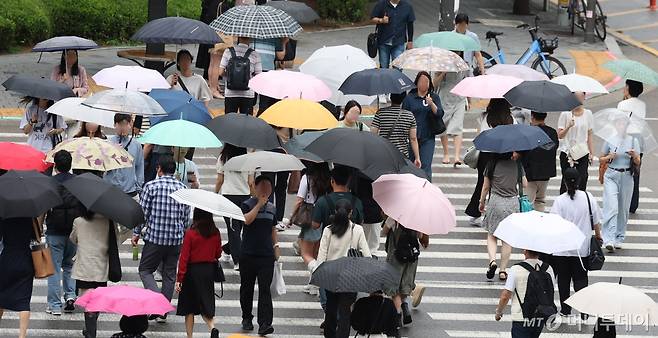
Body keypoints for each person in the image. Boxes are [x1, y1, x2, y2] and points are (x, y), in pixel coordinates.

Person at [132, 155, 190, 323]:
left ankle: (157, 302)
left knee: (145, 270)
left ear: (159, 169)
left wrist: (136, 233)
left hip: (155, 238)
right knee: (169, 274)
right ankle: (163, 310)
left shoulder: (151, 187)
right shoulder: (182, 188)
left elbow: (142, 214)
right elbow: (186, 218)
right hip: (175, 239)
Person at [310, 199, 371, 338]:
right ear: (351, 213)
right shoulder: (358, 230)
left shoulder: (328, 230)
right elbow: (367, 255)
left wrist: (318, 276)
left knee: (331, 309)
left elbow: (321, 256)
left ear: (335, 212)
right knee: (345, 312)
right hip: (350, 277)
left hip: (331, 275)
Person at [550, 168, 603, 317]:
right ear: (579, 181)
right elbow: (596, 221)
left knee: (564, 280)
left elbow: (553, 224)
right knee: (581, 280)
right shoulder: (588, 198)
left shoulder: (560, 201)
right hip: (583, 248)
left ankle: (565, 310)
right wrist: (598, 237)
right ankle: (584, 311)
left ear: (565, 183)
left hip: (562, 249)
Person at [239, 175, 280, 336]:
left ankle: (264, 324)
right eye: (262, 187)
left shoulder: (272, 207)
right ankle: (246, 317)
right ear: (255, 187)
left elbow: (273, 228)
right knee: (247, 288)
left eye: (268, 188)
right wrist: (258, 206)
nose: (265, 190)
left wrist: (276, 246)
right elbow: (246, 221)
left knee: (265, 290)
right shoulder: (246, 204)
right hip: (248, 254)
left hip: (266, 256)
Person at [465, 99, 514, 226]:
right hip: (504, 154)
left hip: (486, 154)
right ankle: (496, 215)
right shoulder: (511, 119)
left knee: (482, 183)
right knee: (498, 186)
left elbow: (478, 138)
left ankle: (475, 212)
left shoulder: (484, 117)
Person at [70, 208, 118, 338]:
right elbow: (115, 240)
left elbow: (73, 239)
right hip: (101, 266)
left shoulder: (78, 221)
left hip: (84, 266)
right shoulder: (108, 221)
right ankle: (90, 328)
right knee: (96, 300)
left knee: (88, 300)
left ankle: (91, 332)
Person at [45, 150, 81, 316]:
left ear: (55, 165)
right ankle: (71, 296)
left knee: (54, 268)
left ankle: (54, 305)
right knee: (69, 266)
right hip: (73, 231)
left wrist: (38, 230)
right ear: (71, 164)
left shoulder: (50, 182)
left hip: (54, 230)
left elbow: (43, 209)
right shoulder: (78, 182)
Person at [175, 209, 221, 338]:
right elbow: (218, 253)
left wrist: (180, 278)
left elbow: (184, 257)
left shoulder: (191, 233)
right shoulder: (215, 232)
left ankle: (190, 336)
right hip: (208, 270)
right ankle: (212, 327)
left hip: (192, 272)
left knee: (189, 307)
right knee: (205, 303)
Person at [480, 152, 525, 281]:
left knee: (492, 235)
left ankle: (492, 261)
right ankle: (503, 270)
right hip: (512, 203)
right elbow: (525, 184)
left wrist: (481, 202)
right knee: (507, 239)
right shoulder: (517, 165)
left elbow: (485, 187)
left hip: (495, 202)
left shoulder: (491, 165)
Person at [599, 115, 641, 253]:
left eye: (623, 124)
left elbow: (638, 162)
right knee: (611, 207)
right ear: (615, 124)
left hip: (627, 176)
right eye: (619, 123)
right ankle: (608, 238)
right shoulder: (610, 139)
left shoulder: (634, 140)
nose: (621, 126)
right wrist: (609, 157)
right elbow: (601, 159)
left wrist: (634, 156)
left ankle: (619, 237)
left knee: (623, 209)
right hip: (611, 175)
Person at [494, 249, 556, 338]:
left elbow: (505, 295)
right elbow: (551, 291)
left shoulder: (516, 269)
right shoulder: (548, 268)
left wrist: (499, 312)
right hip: (540, 315)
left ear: (525, 251)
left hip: (521, 316)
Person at [290, 162, 331, 295]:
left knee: (306, 254)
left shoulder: (307, 178)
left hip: (311, 217)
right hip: (324, 216)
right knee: (317, 253)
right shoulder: (328, 177)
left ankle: (318, 276)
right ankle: (313, 284)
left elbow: (299, 200)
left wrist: (291, 217)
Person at [382, 217, 429, 328]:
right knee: (405, 285)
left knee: (393, 287)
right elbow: (420, 236)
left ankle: (398, 313)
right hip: (411, 257)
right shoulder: (418, 219)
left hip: (396, 256)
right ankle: (404, 305)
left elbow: (384, 232)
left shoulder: (394, 217)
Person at [215, 143, 254, 270]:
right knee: (238, 229)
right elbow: (250, 182)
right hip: (245, 197)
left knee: (233, 230)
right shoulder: (248, 158)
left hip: (228, 196)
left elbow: (220, 180)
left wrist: (215, 194)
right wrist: (254, 198)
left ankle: (228, 250)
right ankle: (237, 259)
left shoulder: (223, 158)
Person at [402, 72, 443, 180]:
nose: (424, 84)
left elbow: (439, 114)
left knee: (425, 165)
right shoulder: (410, 98)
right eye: (421, 81)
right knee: (410, 165)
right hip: (412, 137)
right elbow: (403, 115)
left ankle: (426, 189)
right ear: (417, 83)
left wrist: (432, 104)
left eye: (426, 81)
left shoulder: (434, 97)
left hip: (428, 136)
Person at [0, 218, 36, 338]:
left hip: (7, 259)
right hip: (25, 260)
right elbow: (35, 237)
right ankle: (22, 335)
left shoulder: (4, 218)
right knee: (24, 301)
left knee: (1, 297)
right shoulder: (28, 218)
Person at [435, 52, 469, 166]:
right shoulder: (441, 65)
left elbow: (468, 82)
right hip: (444, 98)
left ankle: (457, 156)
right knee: (443, 126)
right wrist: (443, 72)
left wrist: (469, 98)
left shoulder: (464, 65)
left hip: (459, 98)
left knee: (457, 126)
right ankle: (446, 154)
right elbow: (434, 84)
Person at [617, 80, 646, 213]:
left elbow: (618, 123)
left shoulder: (622, 104)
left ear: (629, 88)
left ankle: (622, 201)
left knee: (621, 171)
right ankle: (633, 204)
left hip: (626, 141)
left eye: (626, 86)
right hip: (639, 142)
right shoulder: (642, 105)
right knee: (635, 172)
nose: (624, 88)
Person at [371, 92, 421, 168]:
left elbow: (373, 135)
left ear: (390, 98)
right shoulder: (409, 115)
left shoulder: (381, 113)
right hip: (402, 155)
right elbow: (413, 139)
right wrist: (417, 158)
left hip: (385, 153)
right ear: (403, 99)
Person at [557, 92, 594, 194]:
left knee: (582, 179)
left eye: (581, 96)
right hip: (567, 152)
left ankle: (580, 204)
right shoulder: (565, 114)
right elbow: (560, 135)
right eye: (576, 97)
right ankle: (564, 205)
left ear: (584, 97)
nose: (578, 99)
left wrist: (591, 152)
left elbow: (590, 134)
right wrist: (568, 126)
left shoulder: (588, 114)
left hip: (582, 152)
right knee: (567, 181)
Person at [521, 112, 558, 211]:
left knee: (527, 202)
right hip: (545, 173)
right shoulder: (552, 132)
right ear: (545, 116)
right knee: (540, 200)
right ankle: (539, 221)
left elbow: (522, 150)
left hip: (529, 173)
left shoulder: (527, 132)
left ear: (532, 117)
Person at [218, 36, 263, 115]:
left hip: (230, 93)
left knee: (230, 120)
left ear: (238, 37)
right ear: (251, 38)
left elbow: (220, 72)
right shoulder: (255, 54)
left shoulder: (228, 51)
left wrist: (229, 75)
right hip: (248, 93)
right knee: (246, 122)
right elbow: (259, 75)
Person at [104, 114, 145, 198]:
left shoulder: (136, 145)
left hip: (130, 190)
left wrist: (138, 186)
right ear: (115, 125)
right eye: (120, 124)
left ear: (130, 125)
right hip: (111, 189)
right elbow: (103, 164)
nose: (123, 127)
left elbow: (139, 167)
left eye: (126, 124)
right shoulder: (107, 143)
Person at [370, 0, 415, 69]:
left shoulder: (407, 6)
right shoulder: (381, 4)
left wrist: (410, 41)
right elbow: (372, 18)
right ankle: (385, 79)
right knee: (384, 68)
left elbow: (410, 24)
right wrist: (381, 20)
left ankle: (396, 79)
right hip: (383, 42)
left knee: (398, 68)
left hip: (399, 42)